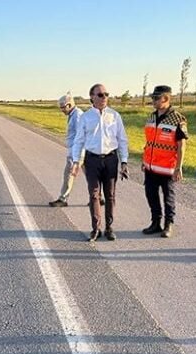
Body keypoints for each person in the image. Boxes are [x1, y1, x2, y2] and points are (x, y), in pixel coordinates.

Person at [71, 83, 129, 242]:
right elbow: (78, 141)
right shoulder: (85, 117)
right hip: (92, 160)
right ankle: (96, 228)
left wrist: (124, 161)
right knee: (94, 195)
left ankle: (109, 228)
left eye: (106, 94)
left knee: (110, 195)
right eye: (100, 95)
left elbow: (122, 140)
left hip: (111, 159)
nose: (104, 98)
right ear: (92, 97)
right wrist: (76, 162)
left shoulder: (115, 116)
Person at [141, 85, 188, 238]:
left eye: (156, 98)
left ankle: (168, 224)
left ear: (166, 99)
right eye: (152, 98)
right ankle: (155, 223)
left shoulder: (177, 119)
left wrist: (178, 167)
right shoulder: (151, 117)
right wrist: (144, 160)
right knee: (151, 195)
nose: (153, 101)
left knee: (168, 198)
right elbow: (149, 142)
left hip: (167, 168)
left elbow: (181, 146)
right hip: (150, 167)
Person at [49, 94, 83, 207]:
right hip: (81, 150)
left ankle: (63, 198)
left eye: (63, 107)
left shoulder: (77, 115)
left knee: (68, 174)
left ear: (69, 105)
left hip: (77, 151)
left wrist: (75, 156)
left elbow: (81, 136)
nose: (62, 110)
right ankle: (98, 197)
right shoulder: (73, 114)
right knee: (90, 175)